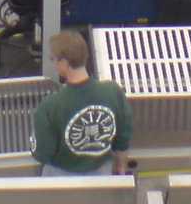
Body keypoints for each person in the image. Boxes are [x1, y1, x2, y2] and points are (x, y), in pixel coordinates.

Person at [31, 29, 132, 178]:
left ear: (64, 63)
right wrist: (121, 168)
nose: (53, 65)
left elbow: (42, 153)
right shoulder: (113, 91)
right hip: (102, 173)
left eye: (53, 59)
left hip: (62, 177)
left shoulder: (49, 106)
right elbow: (123, 139)